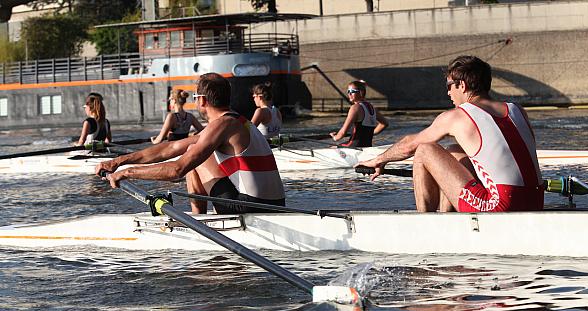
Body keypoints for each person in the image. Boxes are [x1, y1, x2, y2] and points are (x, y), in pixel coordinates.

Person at [357, 55, 544, 213]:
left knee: (424, 150)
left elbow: (409, 145)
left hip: (498, 206)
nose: (448, 93)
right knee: (455, 152)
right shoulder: (517, 110)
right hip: (536, 201)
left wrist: (378, 160)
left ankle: (427, 225)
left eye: (449, 85)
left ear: (461, 85)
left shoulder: (457, 116)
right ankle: (447, 216)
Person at [95, 73, 285, 215]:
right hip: (277, 204)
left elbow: (177, 170)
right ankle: (200, 217)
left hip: (250, 207)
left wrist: (127, 172)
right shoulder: (237, 121)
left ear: (201, 100)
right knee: (192, 149)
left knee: (194, 154)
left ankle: (198, 219)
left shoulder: (221, 125)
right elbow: (171, 148)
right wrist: (118, 161)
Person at [330, 80, 389, 148]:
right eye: (348, 91)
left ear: (361, 92)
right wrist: (370, 134)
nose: (349, 94)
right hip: (368, 146)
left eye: (352, 91)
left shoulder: (355, 108)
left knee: (331, 148)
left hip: (353, 146)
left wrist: (335, 137)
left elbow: (342, 133)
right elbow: (385, 124)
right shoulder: (372, 108)